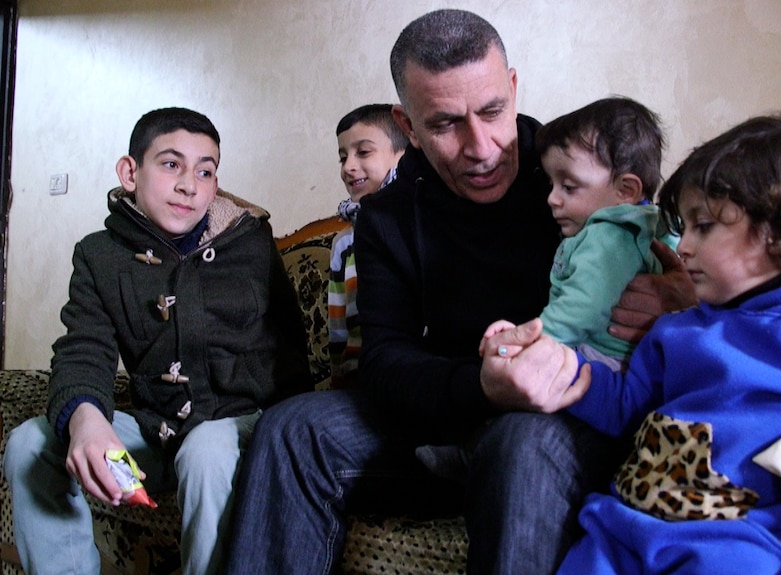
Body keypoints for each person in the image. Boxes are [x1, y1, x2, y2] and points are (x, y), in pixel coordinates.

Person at [226, 10, 694, 575]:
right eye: (446, 124)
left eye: (493, 111)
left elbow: (705, 267)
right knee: (292, 430)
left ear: (514, 88)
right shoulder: (388, 217)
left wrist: (681, 301)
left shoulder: (579, 175)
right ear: (408, 126)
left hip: (565, 419)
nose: (481, 147)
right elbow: (384, 360)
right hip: (448, 415)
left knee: (522, 445)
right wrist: (481, 386)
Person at [543, 111, 781, 573]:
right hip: (623, 523)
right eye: (684, 226)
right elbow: (624, 406)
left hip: (734, 540)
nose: (683, 247)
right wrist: (561, 369)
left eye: (704, 226)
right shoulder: (678, 328)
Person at [3, 107, 312, 575]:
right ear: (130, 172)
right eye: (171, 165)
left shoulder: (248, 243)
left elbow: (292, 359)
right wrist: (85, 417)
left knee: (207, 448)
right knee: (29, 444)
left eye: (205, 171)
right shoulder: (99, 255)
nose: (190, 184)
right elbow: (84, 347)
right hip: (158, 435)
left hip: (239, 432)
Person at [535, 96, 673, 370]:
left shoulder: (610, 234)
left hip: (605, 360)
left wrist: (535, 342)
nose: (552, 198)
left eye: (569, 187)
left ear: (626, 191)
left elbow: (582, 306)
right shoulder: (650, 225)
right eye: (552, 184)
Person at [329, 103, 407, 388]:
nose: (349, 166)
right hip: (358, 380)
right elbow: (337, 332)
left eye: (363, 152)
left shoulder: (414, 224)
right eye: (342, 157)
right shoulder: (343, 244)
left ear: (403, 155)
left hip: (408, 375)